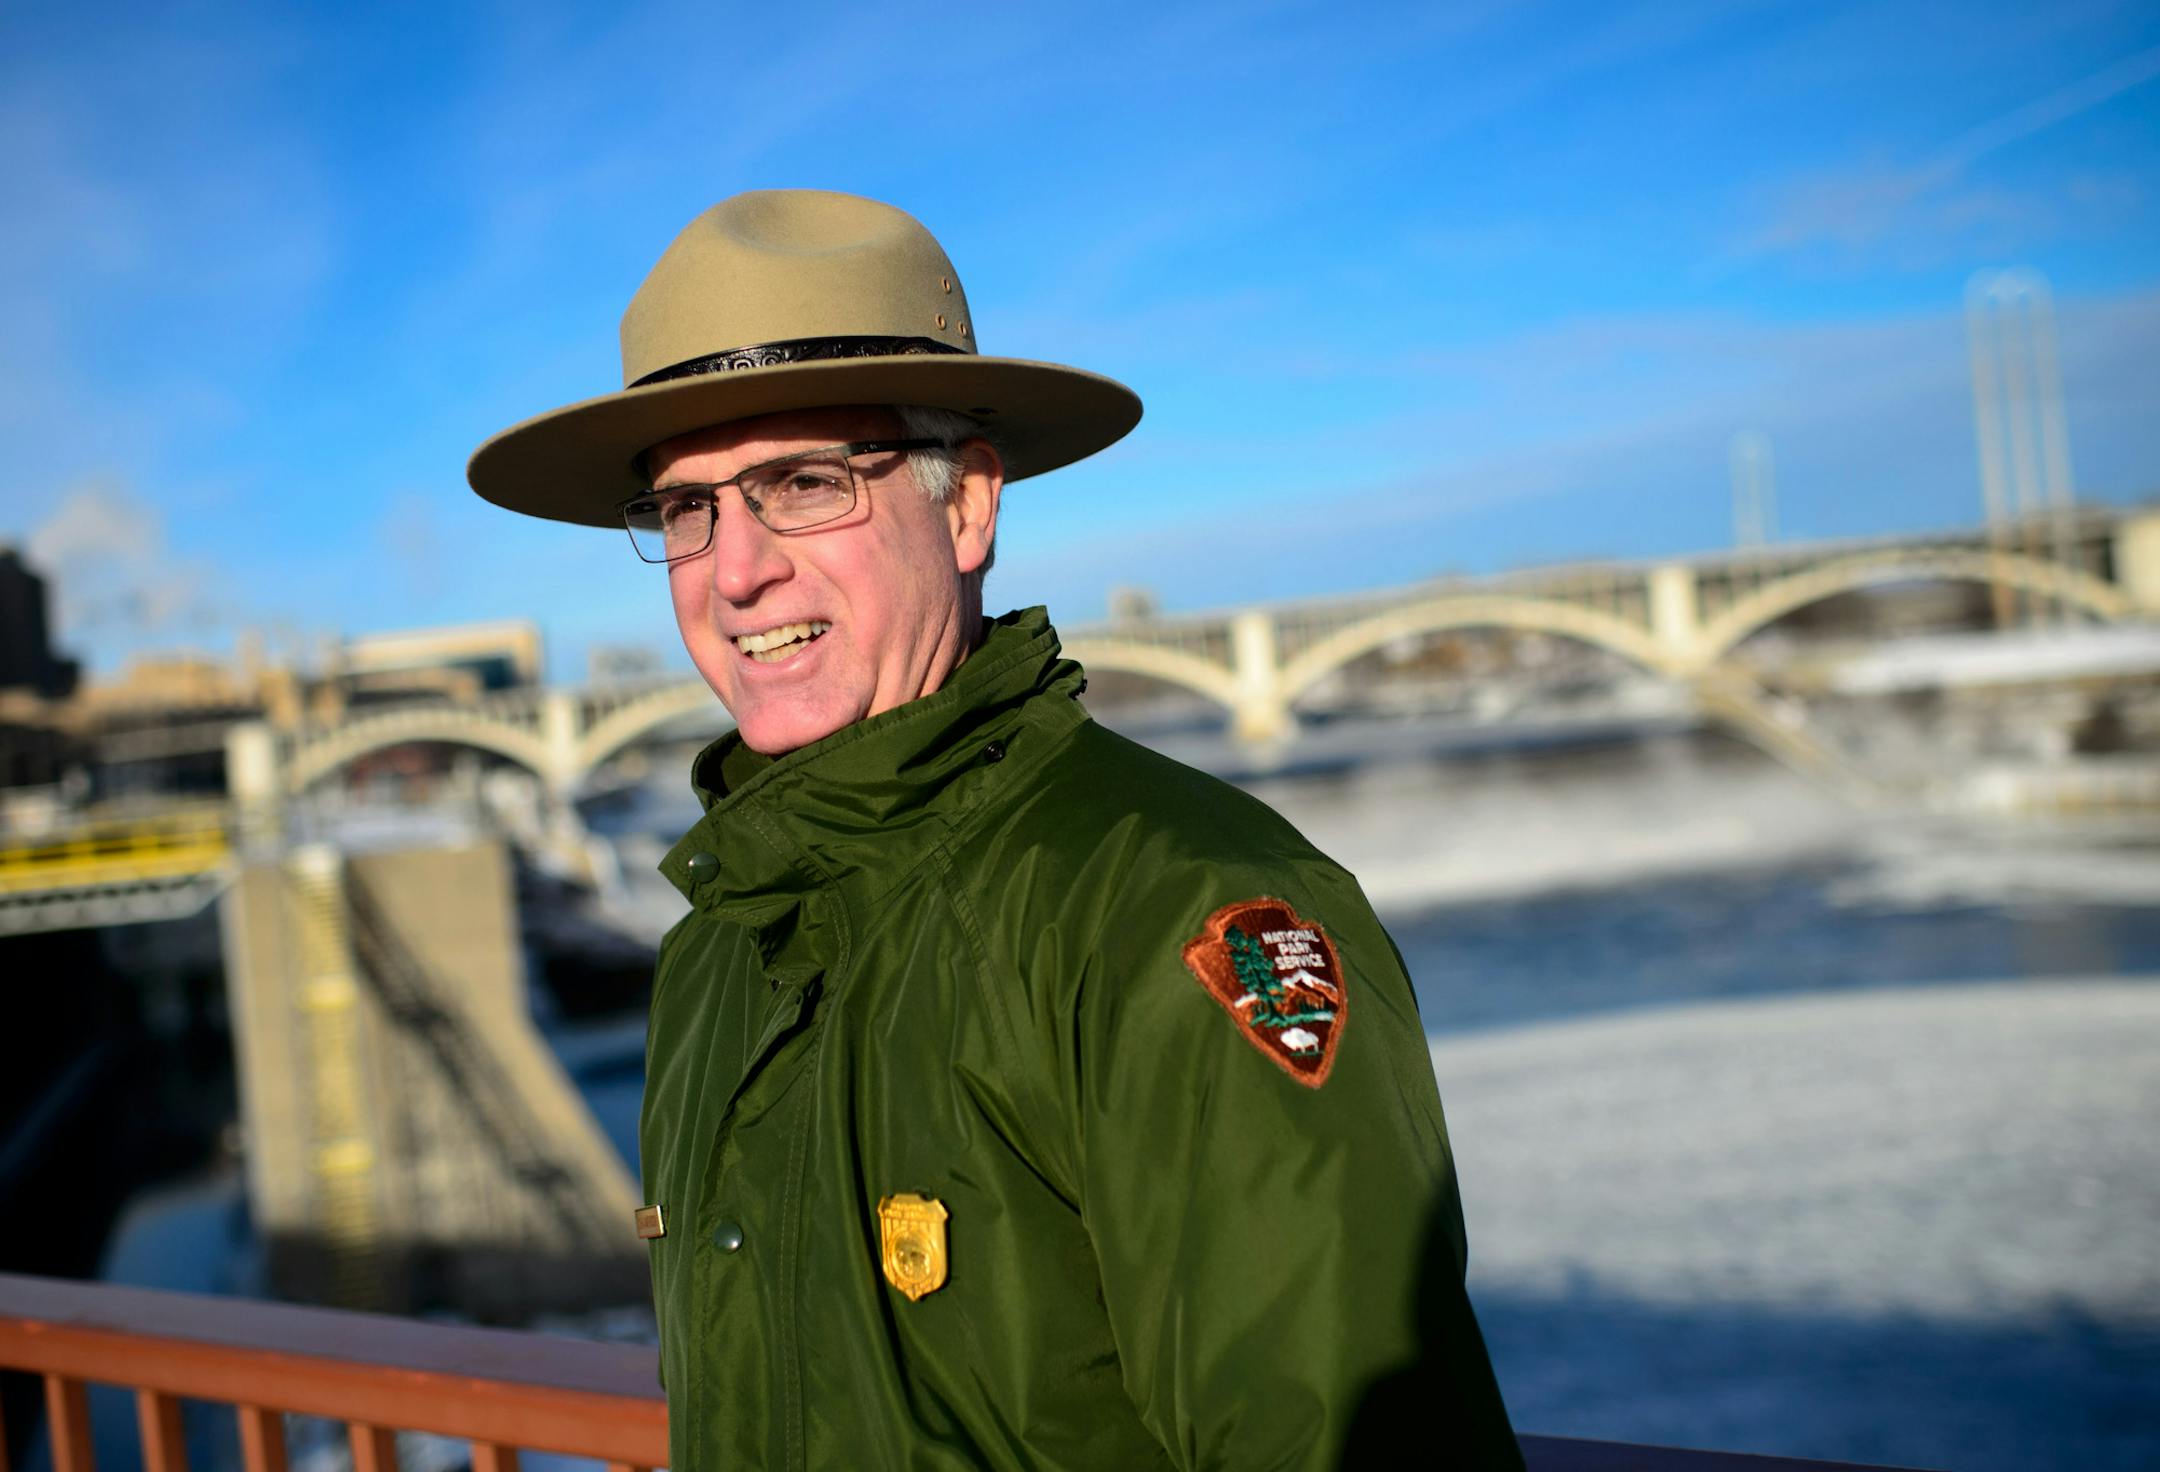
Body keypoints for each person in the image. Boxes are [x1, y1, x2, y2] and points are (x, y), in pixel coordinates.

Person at [468, 189, 1520, 1470]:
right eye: (688, 510)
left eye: (803, 484)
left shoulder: (1171, 909)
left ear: (966, 505)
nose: (734, 570)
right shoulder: (717, 955)